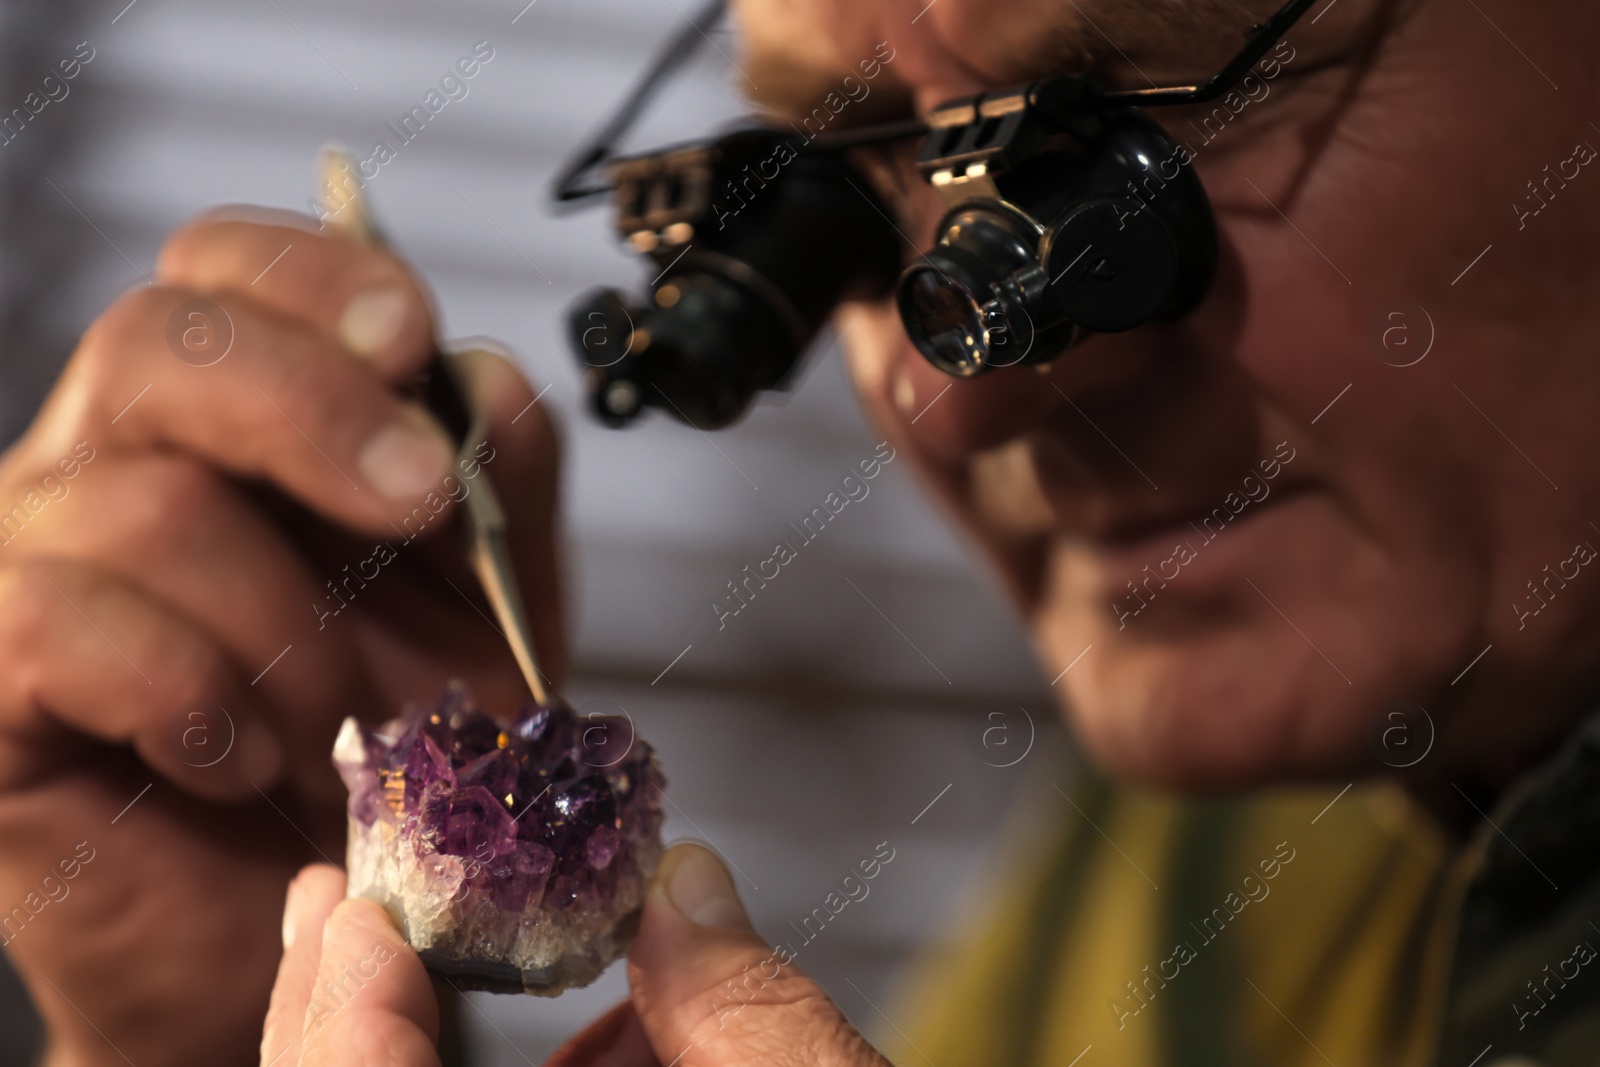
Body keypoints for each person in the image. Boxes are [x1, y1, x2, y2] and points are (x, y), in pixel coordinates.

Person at [2, 0, 1597, 1062]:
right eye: (851, 197)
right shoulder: (1179, 913)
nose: (951, 402)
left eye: (1167, 123)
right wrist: (217, 1035)